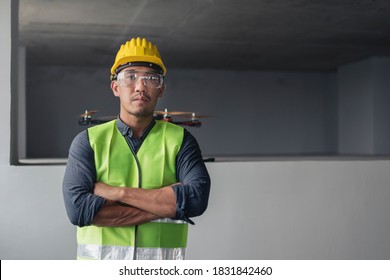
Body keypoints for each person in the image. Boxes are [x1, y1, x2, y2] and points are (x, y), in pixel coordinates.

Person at [62, 37, 211, 260]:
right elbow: (79, 211)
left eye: (151, 78)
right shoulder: (88, 141)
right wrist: (167, 205)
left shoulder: (181, 140)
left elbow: (196, 201)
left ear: (161, 89)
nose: (140, 86)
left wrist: (117, 193)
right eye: (130, 77)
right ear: (115, 87)